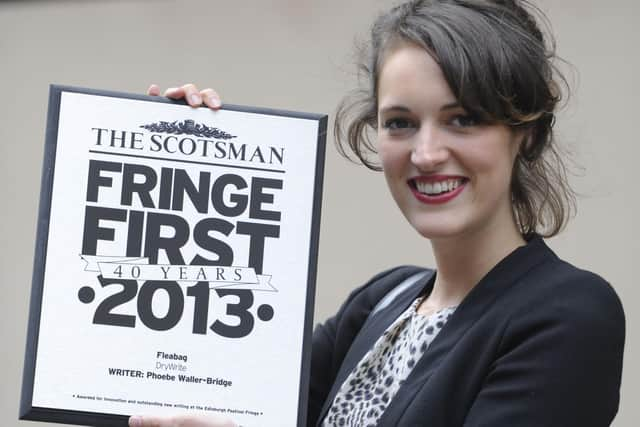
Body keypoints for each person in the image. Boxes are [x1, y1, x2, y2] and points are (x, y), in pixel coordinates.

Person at [129, 1, 625, 426]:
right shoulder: (379, 302)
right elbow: (209, 391)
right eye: (401, 123)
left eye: (464, 119)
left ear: (527, 132)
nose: (426, 153)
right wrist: (182, 168)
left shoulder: (567, 315)